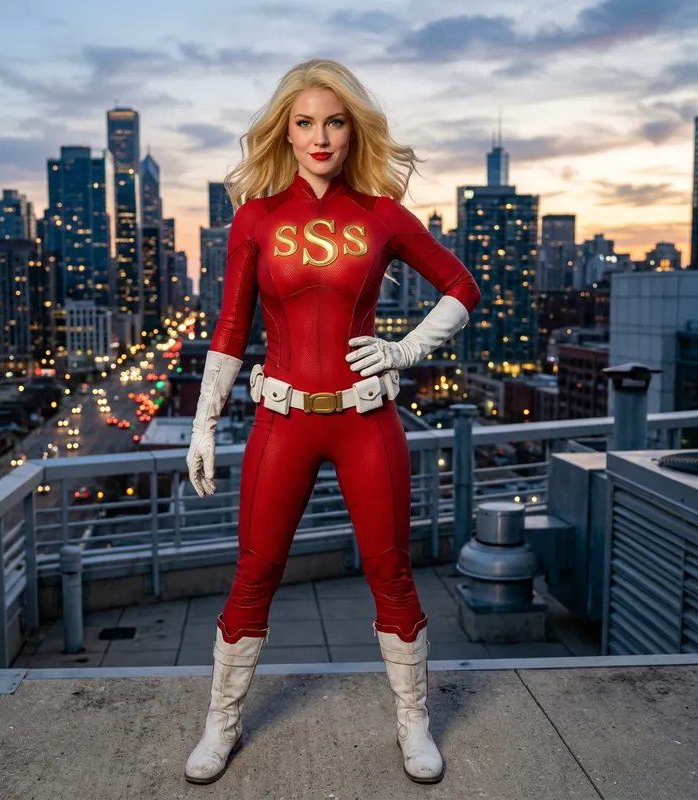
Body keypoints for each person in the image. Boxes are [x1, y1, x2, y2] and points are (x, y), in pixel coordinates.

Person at [184, 58, 481, 786]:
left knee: (391, 572)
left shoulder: (380, 212)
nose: (320, 136)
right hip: (282, 422)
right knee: (253, 572)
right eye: (306, 121)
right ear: (285, 130)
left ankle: (413, 722)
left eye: (335, 121)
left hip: (365, 420)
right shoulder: (255, 217)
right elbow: (229, 326)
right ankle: (222, 723)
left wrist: (406, 349)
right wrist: (201, 421)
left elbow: (463, 286)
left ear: (353, 131)